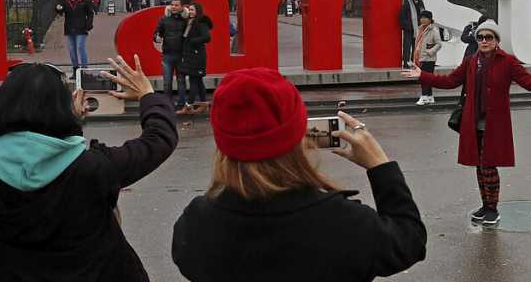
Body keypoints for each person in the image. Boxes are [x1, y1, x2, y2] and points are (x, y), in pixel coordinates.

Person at [171, 68, 427, 280]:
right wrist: (381, 167)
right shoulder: (343, 224)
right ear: (300, 136)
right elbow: (410, 240)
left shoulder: (195, 225)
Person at [0, 55, 178, 281]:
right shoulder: (92, 168)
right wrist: (147, 95)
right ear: (60, 107)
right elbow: (158, 140)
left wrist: (68, 127)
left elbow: (36, 153)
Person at [403, 20, 531, 225]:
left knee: (488, 165)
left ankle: (493, 209)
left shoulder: (508, 61)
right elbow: (450, 81)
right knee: (479, 165)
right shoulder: (471, 61)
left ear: (496, 41)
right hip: (473, 121)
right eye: (480, 37)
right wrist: (423, 75)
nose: (484, 41)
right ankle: (485, 206)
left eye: (488, 37)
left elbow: (529, 82)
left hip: (495, 123)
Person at [155, 0, 189, 110]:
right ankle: (168, 104)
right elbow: (157, 34)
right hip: (167, 55)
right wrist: (157, 37)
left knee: (181, 81)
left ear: (182, 7)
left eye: (176, 5)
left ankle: (181, 104)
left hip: (181, 55)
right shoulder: (164, 19)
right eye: (172, 5)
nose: (174, 7)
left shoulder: (186, 21)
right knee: (167, 82)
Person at [56, 0, 94, 79]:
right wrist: (58, 8)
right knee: (72, 50)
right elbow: (60, 11)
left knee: (80, 48)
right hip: (69, 27)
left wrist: (89, 24)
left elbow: (90, 12)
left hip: (81, 27)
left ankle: (84, 71)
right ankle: (76, 70)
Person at [179, 3, 212, 115]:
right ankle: (204, 104)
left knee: (193, 81)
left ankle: (188, 106)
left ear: (197, 10)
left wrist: (192, 41)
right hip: (190, 56)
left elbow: (207, 37)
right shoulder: (189, 22)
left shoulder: (201, 22)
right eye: (189, 9)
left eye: (192, 10)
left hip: (197, 56)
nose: (190, 11)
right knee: (198, 81)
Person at [414, 10, 441, 106]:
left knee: (424, 78)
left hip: (429, 58)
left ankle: (424, 96)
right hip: (420, 57)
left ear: (430, 19)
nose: (423, 20)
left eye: (425, 18)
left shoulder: (433, 30)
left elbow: (439, 44)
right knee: (427, 78)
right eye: (421, 18)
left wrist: (430, 52)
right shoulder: (419, 29)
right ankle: (429, 96)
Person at [398, 0, 425, 68]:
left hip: (419, 30)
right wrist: (408, 26)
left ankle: (415, 63)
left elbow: (424, 16)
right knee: (407, 47)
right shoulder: (407, 4)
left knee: (416, 48)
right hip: (409, 30)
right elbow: (401, 17)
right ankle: (406, 63)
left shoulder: (421, 5)